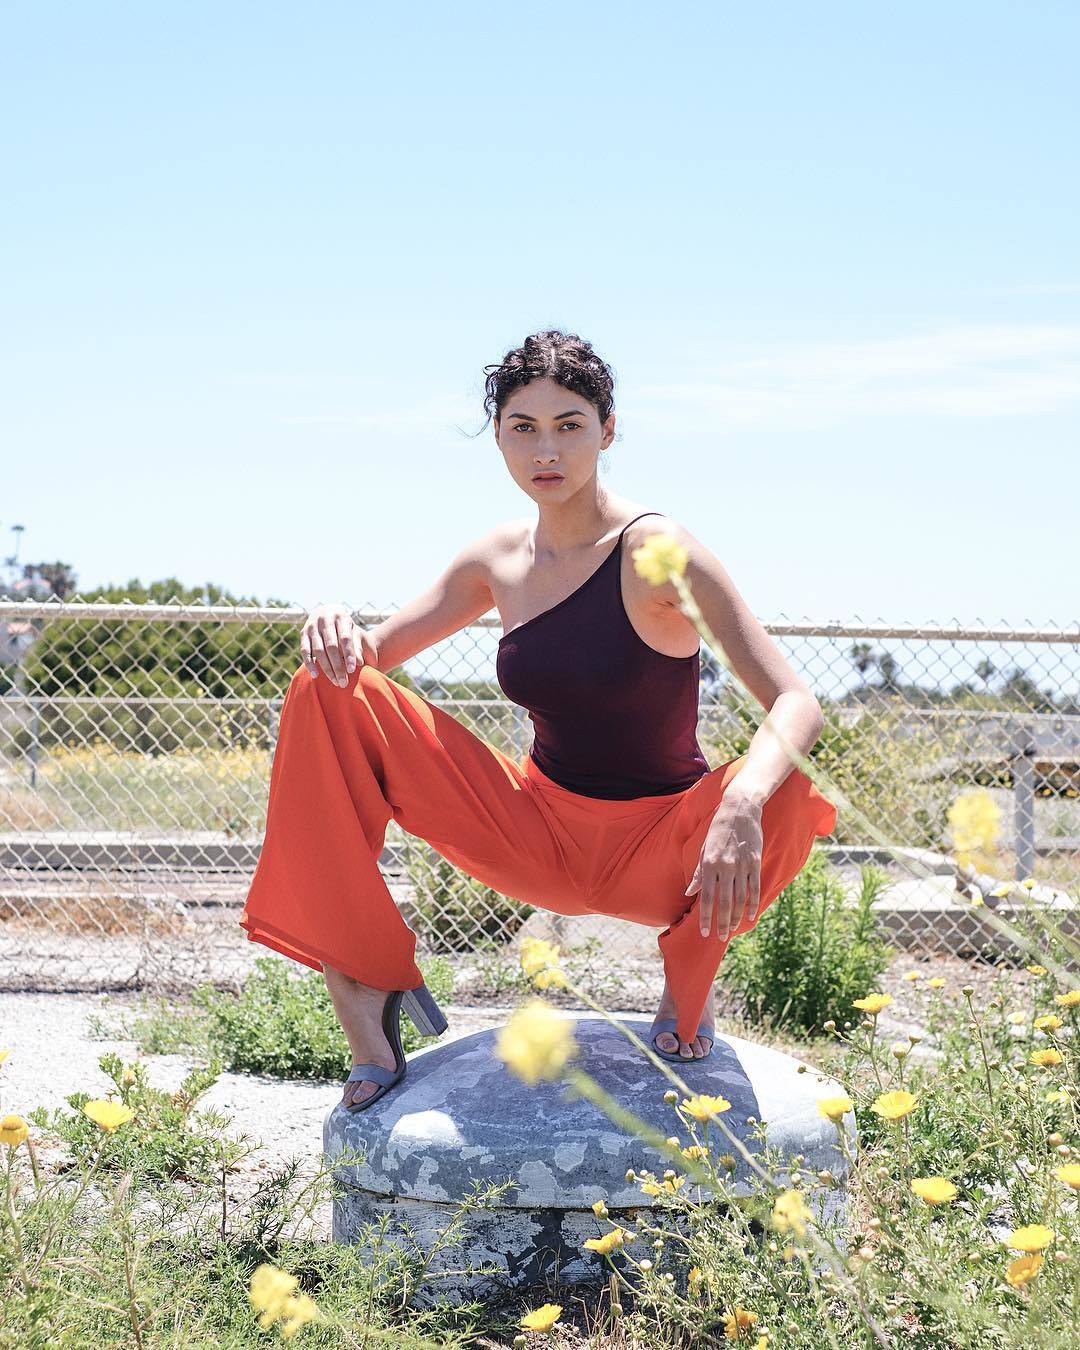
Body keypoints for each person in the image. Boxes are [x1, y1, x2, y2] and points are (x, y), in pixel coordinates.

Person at [239, 329, 837, 1112]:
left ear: (608, 431)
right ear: (498, 437)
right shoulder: (497, 558)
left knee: (786, 788)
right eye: (524, 427)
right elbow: (368, 662)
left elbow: (797, 703)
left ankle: (690, 978)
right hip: (536, 833)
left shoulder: (658, 551)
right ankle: (363, 980)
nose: (545, 450)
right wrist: (334, 622)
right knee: (324, 690)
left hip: (666, 852)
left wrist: (742, 801)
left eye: (569, 425)